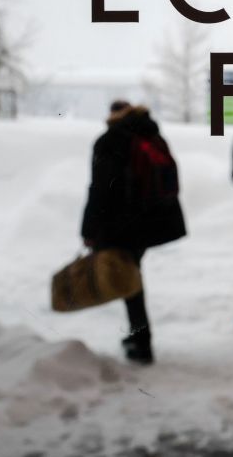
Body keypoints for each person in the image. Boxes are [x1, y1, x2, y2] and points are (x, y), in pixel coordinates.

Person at [81, 100, 186, 364]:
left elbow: (100, 189)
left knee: (131, 286)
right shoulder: (149, 134)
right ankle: (138, 336)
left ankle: (142, 343)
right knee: (132, 279)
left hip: (120, 224)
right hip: (149, 221)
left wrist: (89, 229)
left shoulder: (110, 141)